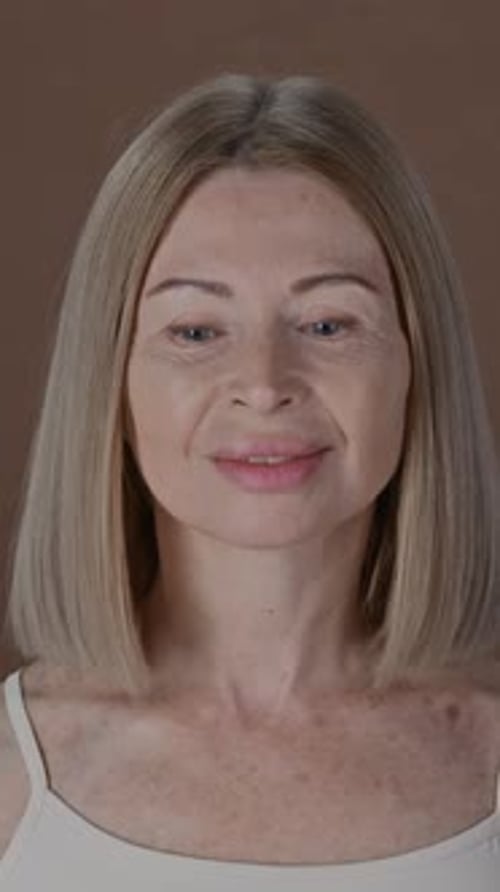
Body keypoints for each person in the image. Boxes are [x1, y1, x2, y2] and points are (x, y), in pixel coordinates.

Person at [1, 72, 500, 890]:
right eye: (197, 331)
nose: (265, 384)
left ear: (415, 367)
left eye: (328, 323)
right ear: (111, 385)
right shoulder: (12, 779)